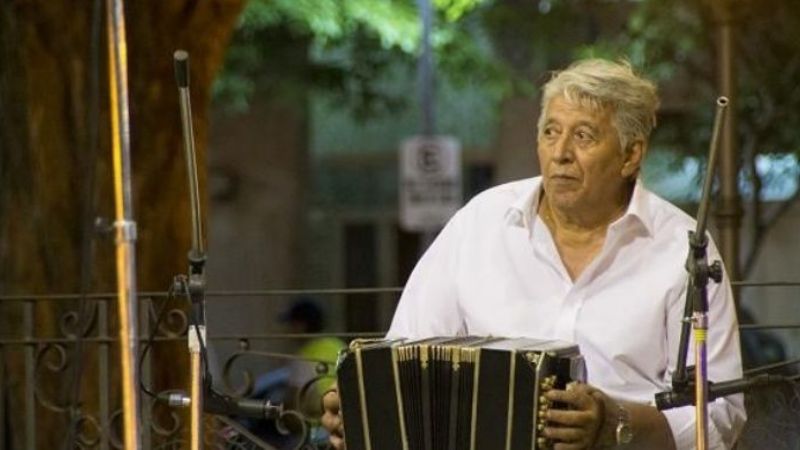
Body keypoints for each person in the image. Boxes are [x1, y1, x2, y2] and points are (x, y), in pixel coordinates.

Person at [322, 58, 746, 449]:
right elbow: (405, 354)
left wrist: (615, 423)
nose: (560, 153)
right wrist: (364, 407)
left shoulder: (682, 249)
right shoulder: (480, 223)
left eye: (583, 136)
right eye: (550, 132)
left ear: (630, 155)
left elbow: (721, 415)